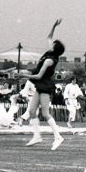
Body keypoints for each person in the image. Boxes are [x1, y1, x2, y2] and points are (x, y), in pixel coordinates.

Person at [23, 19, 65, 150]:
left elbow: (39, 76)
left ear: (54, 48)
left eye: (53, 44)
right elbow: (49, 36)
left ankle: (58, 137)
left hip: (45, 86)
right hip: (40, 85)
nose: (51, 43)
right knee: (31, 111)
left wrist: (23, 75)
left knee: (46, 114)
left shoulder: (49, 60)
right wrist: (54, 26)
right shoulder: (50, 53)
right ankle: (37, 136)